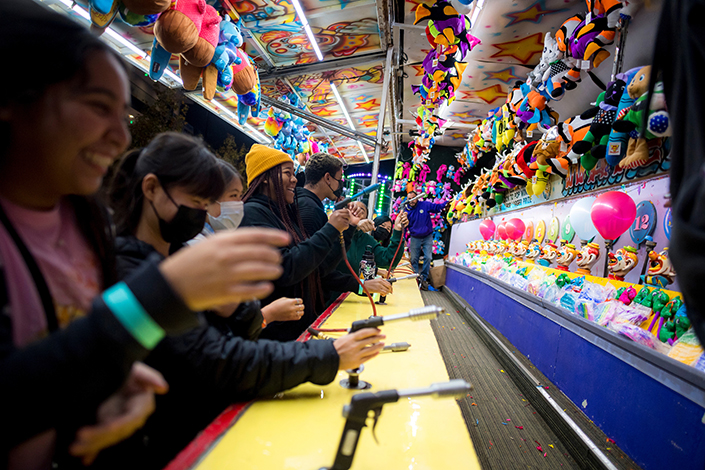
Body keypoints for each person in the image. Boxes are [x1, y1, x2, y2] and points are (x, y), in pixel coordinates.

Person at [0, 2, 288, 467]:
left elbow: (66, 358)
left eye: (122, 113)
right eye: (98, 106)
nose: (119, 135)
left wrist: (111, 384)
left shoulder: (82, 225)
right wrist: (159, 297)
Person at [103, 134, 386, 468]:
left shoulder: (174, 259)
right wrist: (326, 355)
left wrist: (241, 313)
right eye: (200, 197)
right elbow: (213, 358)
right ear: (151, 190)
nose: (209, 211)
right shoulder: (131, 274)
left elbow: (214, 338)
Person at [240, 145, 359, 341]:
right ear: (266, 177)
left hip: (296, 329)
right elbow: (287, 268)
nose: (295, 179)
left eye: (294, 173)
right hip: (274, 338)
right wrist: (331, 229)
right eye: (287, 173)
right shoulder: (253, 214)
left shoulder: (283, 214)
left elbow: (314, 266)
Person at [296, 152, 392, 299]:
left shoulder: (307, 205)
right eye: (339, 179)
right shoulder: (310, 211)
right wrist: (360, 286)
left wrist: (351, 226)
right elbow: (316, 268)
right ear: (328, 178)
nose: (341, 184)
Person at [405, 191, 447, 290]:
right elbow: (404, 226)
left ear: (417, 198)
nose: (411, 200)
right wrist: (404, 239)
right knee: (414, 259)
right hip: (415, 237)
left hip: (427, 236)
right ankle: (415, 278)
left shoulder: (425, 205)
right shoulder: (406, 211)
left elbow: (437, 208)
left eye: (413, 198)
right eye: (409, 198)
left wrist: (447, 203)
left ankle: (423, 278)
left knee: (428, 258)